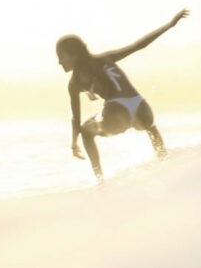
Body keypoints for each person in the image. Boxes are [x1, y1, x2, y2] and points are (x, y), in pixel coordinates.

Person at [56, 9, 189, 182]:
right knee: (151, 128)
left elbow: (76, 118)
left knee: (86, 131)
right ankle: (165, 162)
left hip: (118, 112)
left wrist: (74, 143)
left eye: (61, 56)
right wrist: (170, 25)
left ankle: (100, 181)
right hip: (142, 107)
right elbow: (138, 45)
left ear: (74, 55)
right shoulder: (105, 58)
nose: (59, 62)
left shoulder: (74, 83)